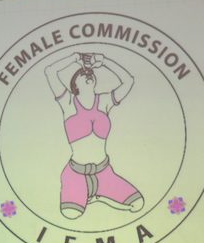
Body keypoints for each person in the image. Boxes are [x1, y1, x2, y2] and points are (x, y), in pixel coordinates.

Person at [44, 51, 143, 219]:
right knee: (71, 214)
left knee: (138, 204)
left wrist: (105, 61)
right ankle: (88, 195)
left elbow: (129, 81)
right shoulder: (68, 103)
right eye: (82, 73)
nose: (87, 74)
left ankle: (98, 196)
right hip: (76, 174)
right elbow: (50, 71)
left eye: (90, 73)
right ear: (75, 84)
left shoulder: (104, 102)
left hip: (104, 173)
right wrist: (74, 58)